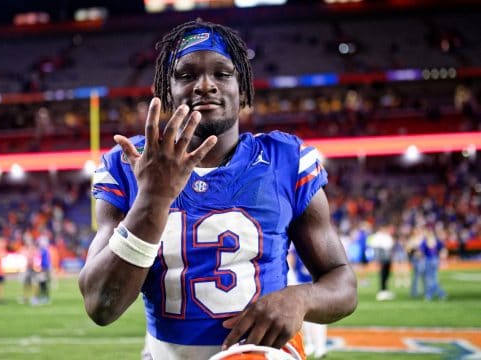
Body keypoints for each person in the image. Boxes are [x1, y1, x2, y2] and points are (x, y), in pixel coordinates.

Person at [79, 19, 357, 360]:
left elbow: (343, 283)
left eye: (222, 74)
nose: (205, 85)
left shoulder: (286, 160)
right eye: (187, 75)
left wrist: (301, 299)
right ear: (168, 91)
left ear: (243, 87)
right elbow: (100, 305)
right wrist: (152, 198)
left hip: (260, 353)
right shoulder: (128, 163)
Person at [287, 249, 327, 359]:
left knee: (318, 316)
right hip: (301, 283)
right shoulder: (296, 246)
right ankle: (310, 343)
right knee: (305, 317)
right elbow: (291, 261)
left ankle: (320, 346)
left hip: (315, 283)